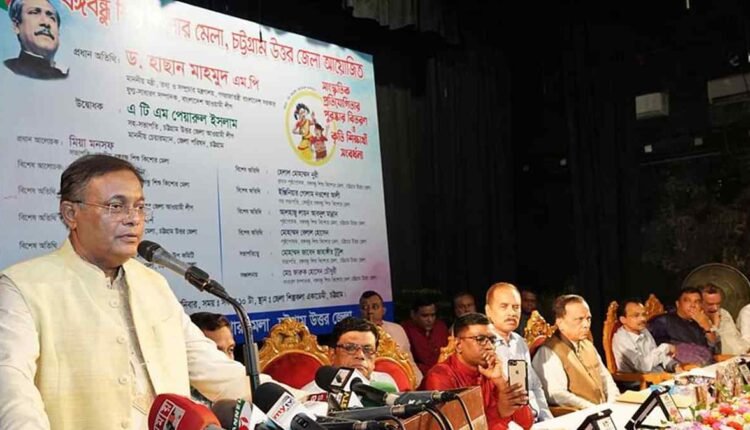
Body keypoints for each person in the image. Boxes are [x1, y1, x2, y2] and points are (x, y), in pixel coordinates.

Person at [0, 154, 250, 429]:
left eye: (139, 207)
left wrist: (283, 400)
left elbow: (212, 369)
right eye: (116, 206)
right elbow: (12, 389)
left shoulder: (153, 284)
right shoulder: (23, 287)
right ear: (71, 214)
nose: (133, 219)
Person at [424, 313, 533, 430]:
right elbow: (452, 427)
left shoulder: (491, 371)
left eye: (492, 340)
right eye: (480, 339)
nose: (490, 346)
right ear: (459, 345)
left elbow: (526, 422)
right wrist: (498, 412)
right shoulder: (440, 376)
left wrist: (501, 382)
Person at [532, 294, 619, 410]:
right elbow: (556, 394)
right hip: (579, 414)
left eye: (588, 319)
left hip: (604, 410)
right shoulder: (549, 351)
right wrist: (592, 408)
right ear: (560, 322)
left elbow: (606, 379)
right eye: (580, 319)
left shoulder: (587, 345)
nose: (586, 325)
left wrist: (613, 403)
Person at [485, 282, 552, 421]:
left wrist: (547, 419)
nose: (511, 313)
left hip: (536, 420)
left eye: (516, 307)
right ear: (488, 311)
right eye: (504, 306)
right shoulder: (483, 345)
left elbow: (535, 386)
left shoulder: (519, 341)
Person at [302, 317, 398, 396]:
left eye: (367, 349)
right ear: (332, 354)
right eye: (350, 348)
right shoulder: (312, 395)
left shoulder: (386, 383)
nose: (360, 355)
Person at [358, 291, 422, 385]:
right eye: (365, 308)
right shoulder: (354, 334)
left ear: (383, 310)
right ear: (360, 311)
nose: (370, 311)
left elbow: (410, 362)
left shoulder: (397, 330)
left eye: (375, 307)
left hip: (400, 381)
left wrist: (420, 383)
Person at [647, 287, 718, 365]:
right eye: (688, 301)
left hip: (706, 364)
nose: (693, 305)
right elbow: (652, 351)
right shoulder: (663, 321)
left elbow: (714, 349)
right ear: (677, 304)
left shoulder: (701, 320)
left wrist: (707, 327)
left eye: (697, 302)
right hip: (678, 367)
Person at [612, 299, 681, 373]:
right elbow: (643, 367)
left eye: (644, 314)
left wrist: (673, 366)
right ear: (623, 319)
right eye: (636, 315)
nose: (643, 319)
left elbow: (658, 356)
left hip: (660, 375)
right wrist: (665, 347)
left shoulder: (643, 330)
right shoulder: (621, 339)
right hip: (641, 379)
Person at [5, 0, 68, 79]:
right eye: (34, 13)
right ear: (16, 26)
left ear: (58, 32)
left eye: (52, 18)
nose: (46, 23)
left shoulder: (66, 77)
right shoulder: (7, 70)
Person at [402, 297, 450, 375]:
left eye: (433, 315)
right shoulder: (404, 330)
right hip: (417, 375)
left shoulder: (441, 327)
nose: (430, 320)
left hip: (443, 373)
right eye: (425, 316)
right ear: (413, 315)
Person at [700, 284, 750, 355]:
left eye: (718, 303)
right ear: (700, 303)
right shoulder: (698, 320)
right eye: (710, 304)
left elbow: (736, 339)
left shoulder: (724, 313)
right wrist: (715, 326)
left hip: (741, 356)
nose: (715, 308)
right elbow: (713, 350)